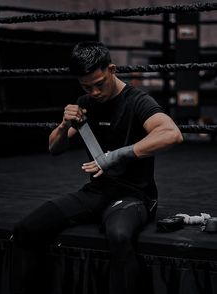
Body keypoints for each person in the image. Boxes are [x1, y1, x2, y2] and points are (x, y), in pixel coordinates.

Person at [13, 41, 183, 294]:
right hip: (96, 192)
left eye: (99, 84)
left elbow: (172, 134)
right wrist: (63, 125)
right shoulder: (86, 102)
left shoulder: (137, 100)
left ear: (112, 69)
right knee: (26, 229)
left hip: (134, 194)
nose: (93, 92)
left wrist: (114, 157)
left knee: (119, 235)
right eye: (86, 86)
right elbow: (54, 148)